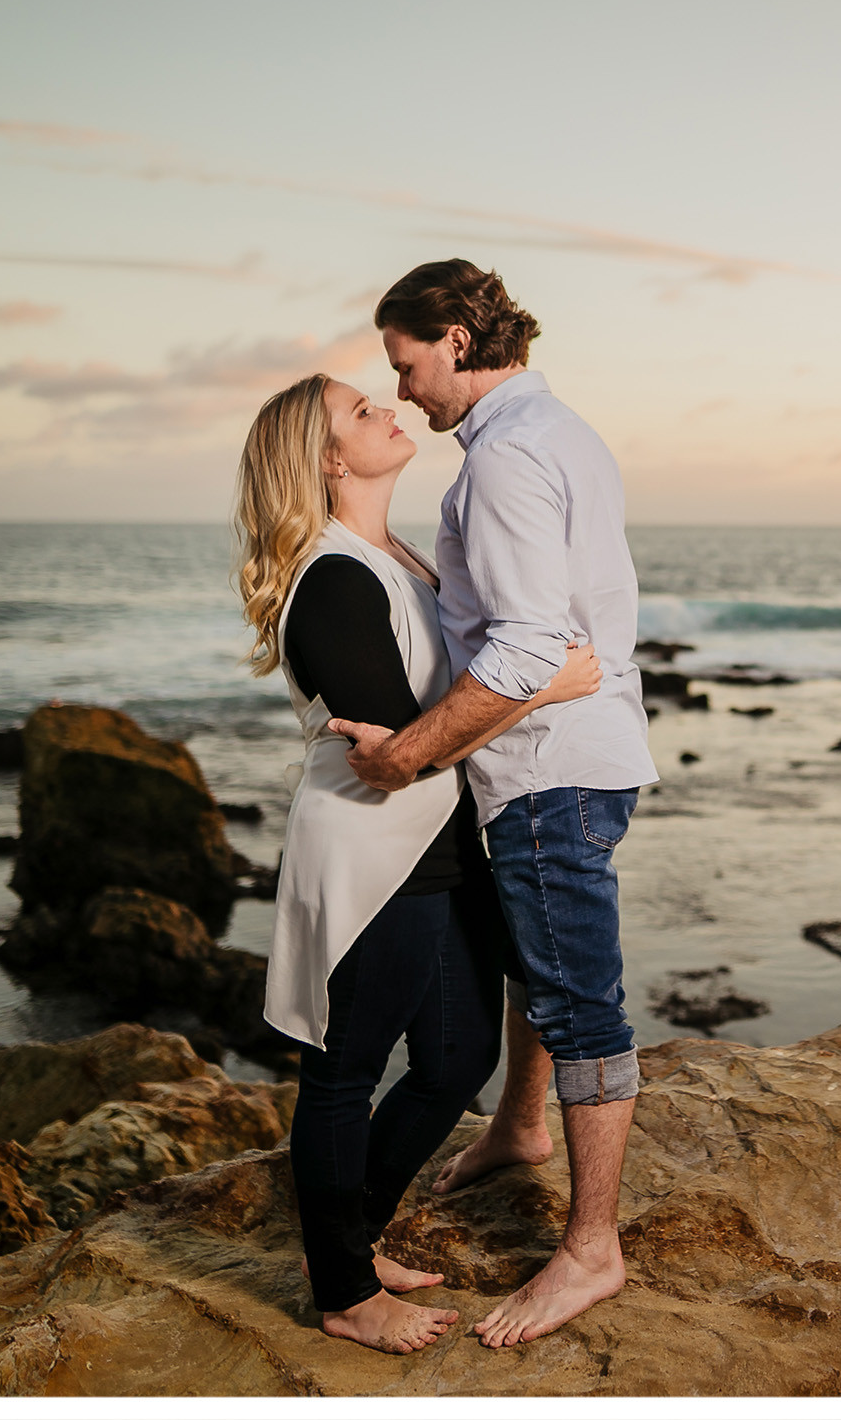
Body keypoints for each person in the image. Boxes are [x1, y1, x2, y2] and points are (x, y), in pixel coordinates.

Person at [328, 259, 660, 1350]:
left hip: (550, 767)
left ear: (459, 341)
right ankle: (522, 1127)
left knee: (576, 999)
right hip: (572, 755)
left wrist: (405, 759)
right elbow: (528, 620)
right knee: (532, 957)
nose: (407, 391)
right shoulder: (548, 432)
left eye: (408, 363)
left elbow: (528, 644)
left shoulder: (509, 457)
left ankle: (591, 1248)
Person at [235, 370, 600, 1354]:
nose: (389, 410)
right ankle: (345, 1293)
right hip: (370, 855)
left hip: (440, 847)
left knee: (454, 1063)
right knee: (344, 1072)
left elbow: (441, 720)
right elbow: (402, 744)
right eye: (362, 412)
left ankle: (342, 1242)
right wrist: (546, 683)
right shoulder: (331, 575)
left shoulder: (396, 558)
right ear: (326, 460)